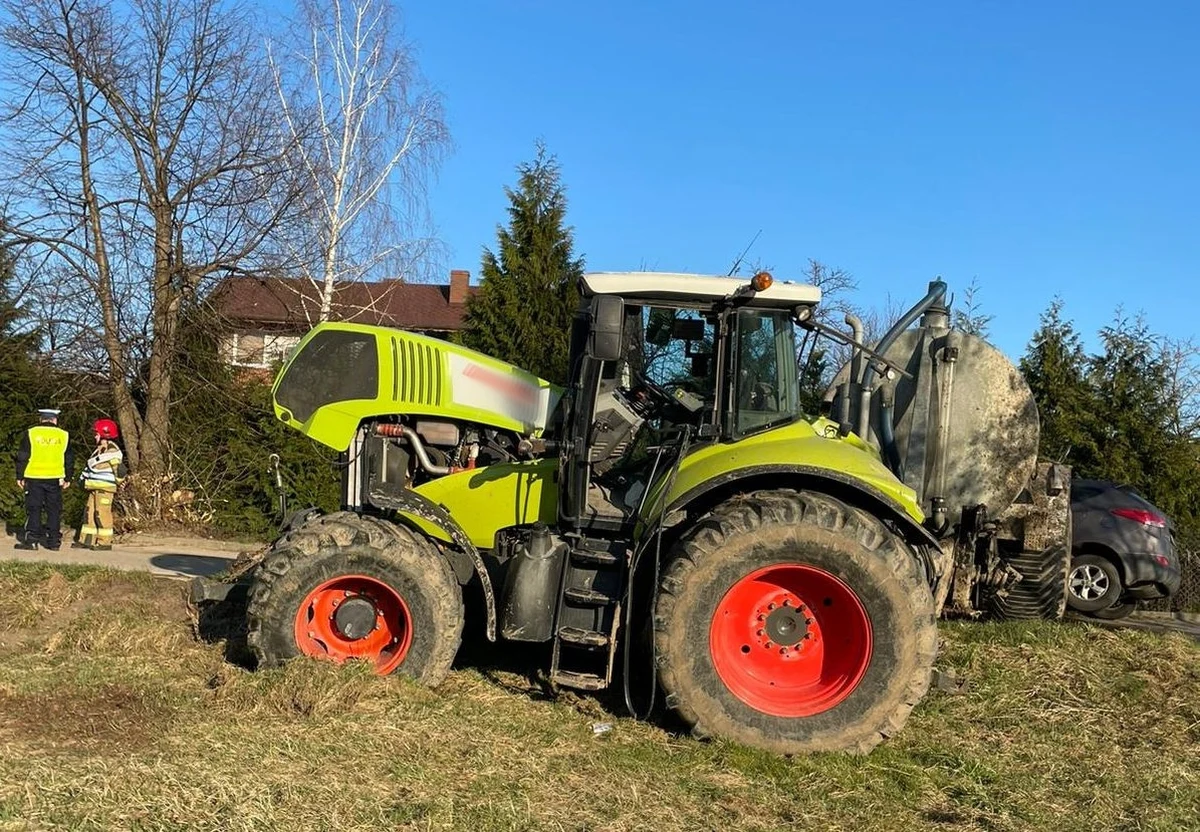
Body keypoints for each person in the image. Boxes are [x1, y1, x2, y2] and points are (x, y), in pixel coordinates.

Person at [14, 408, 74, 551]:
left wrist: (20, 476)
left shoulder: (31, 433)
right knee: (54, 510)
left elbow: (23, 455)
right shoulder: (64, 435)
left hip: (34, 476)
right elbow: (69, 458)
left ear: (41, 419)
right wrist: (68, 477)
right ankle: (54, 542)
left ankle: (32, 540)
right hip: (54, 477)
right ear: (55, 420)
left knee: (34, 509)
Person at [78, 418, 124, 551]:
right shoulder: (99, 450)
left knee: (102, 514)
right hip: (93, 487)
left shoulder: (112, 451)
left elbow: (120, 471)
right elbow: (91, 467)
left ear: (105, 434)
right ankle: (87, 539)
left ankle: (104, 542)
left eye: (96, 433)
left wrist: (117, 483)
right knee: (89, 513)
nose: (94, 436)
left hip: (104, 489)